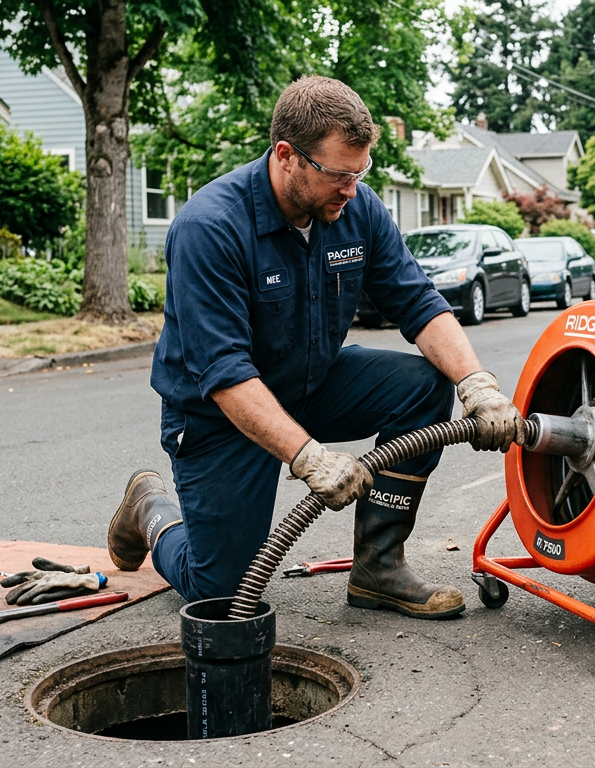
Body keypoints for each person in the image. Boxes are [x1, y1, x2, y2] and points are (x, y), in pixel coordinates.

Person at [105, 76, 524, 620]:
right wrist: (308, 457)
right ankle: (150, 510)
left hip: (312, 382)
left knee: (424, 385)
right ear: (286, 156)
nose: (351, 188)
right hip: (218, 417)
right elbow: (226, 373)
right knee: (223, 593)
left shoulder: (356, 208)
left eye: (360, 172)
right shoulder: (209, 228)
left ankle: (379, 567)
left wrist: (478, 385)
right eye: (339, 174)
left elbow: (418, 302)